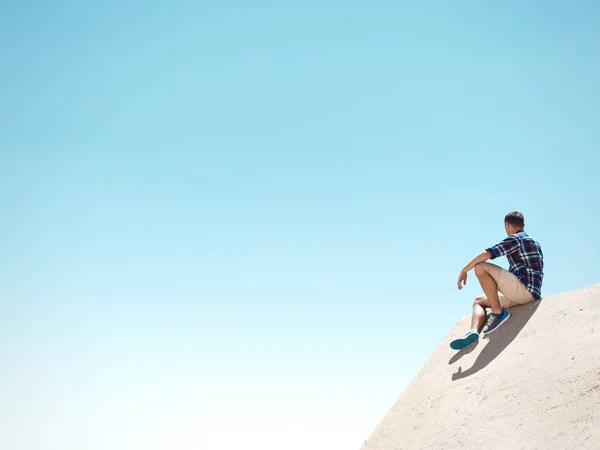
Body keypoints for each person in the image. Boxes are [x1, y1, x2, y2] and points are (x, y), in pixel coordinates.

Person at [450, 211, 544, 350]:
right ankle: (473, 332)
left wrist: (464, 270)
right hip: (528, 294)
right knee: (479, 301)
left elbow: (487, 253)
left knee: (481, 267)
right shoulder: (534, 242)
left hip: (524, 290)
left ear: (507, 224)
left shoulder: (516, 239)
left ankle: (498, 313)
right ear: (523, 225)